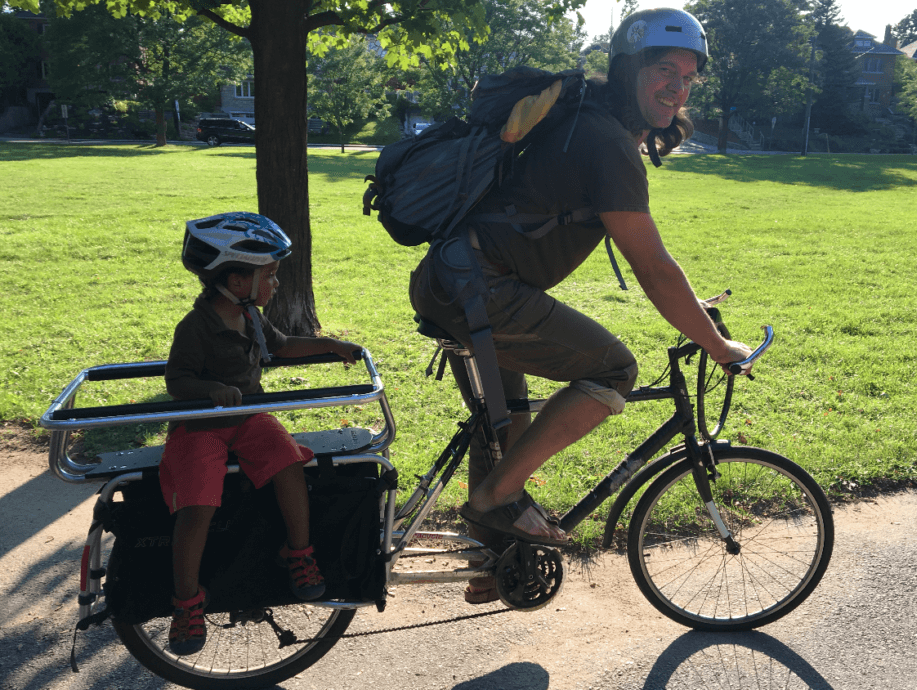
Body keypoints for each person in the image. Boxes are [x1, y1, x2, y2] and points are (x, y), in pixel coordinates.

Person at [409, 7, 753, 602]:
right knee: (614, 369)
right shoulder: (604, 140)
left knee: (510, 426)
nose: (678, 86)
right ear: (628, 70)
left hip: (459, 279)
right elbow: (652, 266)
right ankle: (493, 500)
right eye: (664, 69)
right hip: (480, 290)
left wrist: (690, 304)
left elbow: (649, 263)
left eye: (690, 76)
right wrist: (717, 345)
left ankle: (491, 567)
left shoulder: (588, 123)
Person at [160, 212, 362, 655]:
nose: (275, 284)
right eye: (268, 275)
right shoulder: (195, 327)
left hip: (249, 417)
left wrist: (330, 344)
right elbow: (177, 381)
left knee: (289, 461)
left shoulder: (250, 316)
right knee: (197, 505)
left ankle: (299, 553)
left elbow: (284, 346)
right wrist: (211, 390)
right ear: (235, 280)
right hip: (201, 428)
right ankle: (187, 602)